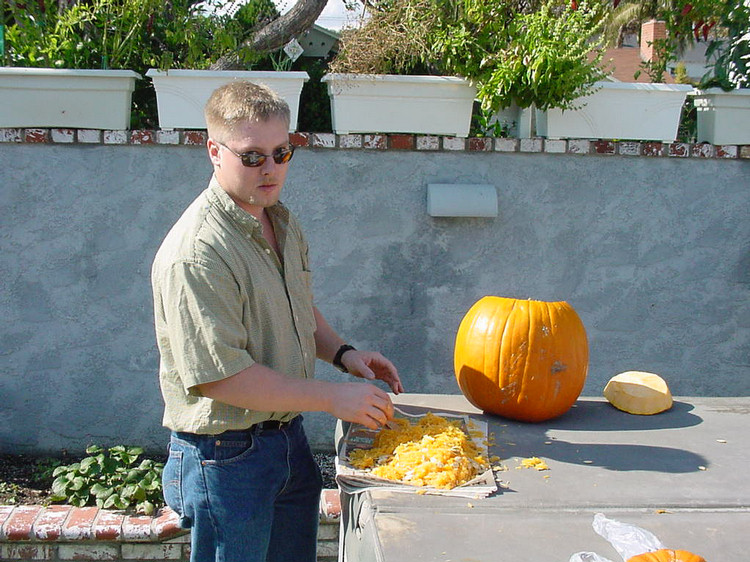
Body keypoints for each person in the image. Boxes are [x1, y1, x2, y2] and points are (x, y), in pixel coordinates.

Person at [151, 80, 404, 562]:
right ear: (213, 151)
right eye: (252, 156)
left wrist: (344, 355)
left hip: (286, 441)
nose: (270, 169)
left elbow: (297, 307)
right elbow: (222, 379)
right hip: (225, 456)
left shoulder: (279, 220)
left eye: (282, 152)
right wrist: (333, 397)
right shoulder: (197, 253)